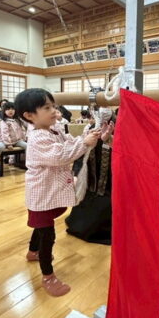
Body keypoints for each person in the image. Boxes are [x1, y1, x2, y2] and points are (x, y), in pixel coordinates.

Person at [14, 88, 100, 297]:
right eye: (47, 108)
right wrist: (84, 143)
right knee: (47, 234)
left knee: (41, 226)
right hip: (42, 194)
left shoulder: (54, 129)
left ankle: (32, 251)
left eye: (53, 106)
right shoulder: (37, 137)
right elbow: (60, 156)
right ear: (29, 115)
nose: (54, 111)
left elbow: (69, 142)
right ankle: (48, 275)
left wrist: (89, 137)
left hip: (50, 191)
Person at [66, 108, 115, 245]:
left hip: (111, 180)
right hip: (91, 178)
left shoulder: (119, 126)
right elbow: (81, 153)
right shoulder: (90, 129)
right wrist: (76, 173)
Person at [0, 101, 27, 171]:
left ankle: (29, 163)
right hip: (4, 141)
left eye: (12, 109)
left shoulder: (17, 120)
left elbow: (22, 130)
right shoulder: (4, 122)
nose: (10, 111)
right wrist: (8, 144)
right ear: (4, 111)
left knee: (27, 146)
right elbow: (5, 134)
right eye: (8, 109)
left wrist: (24, 138)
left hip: (16, 141)